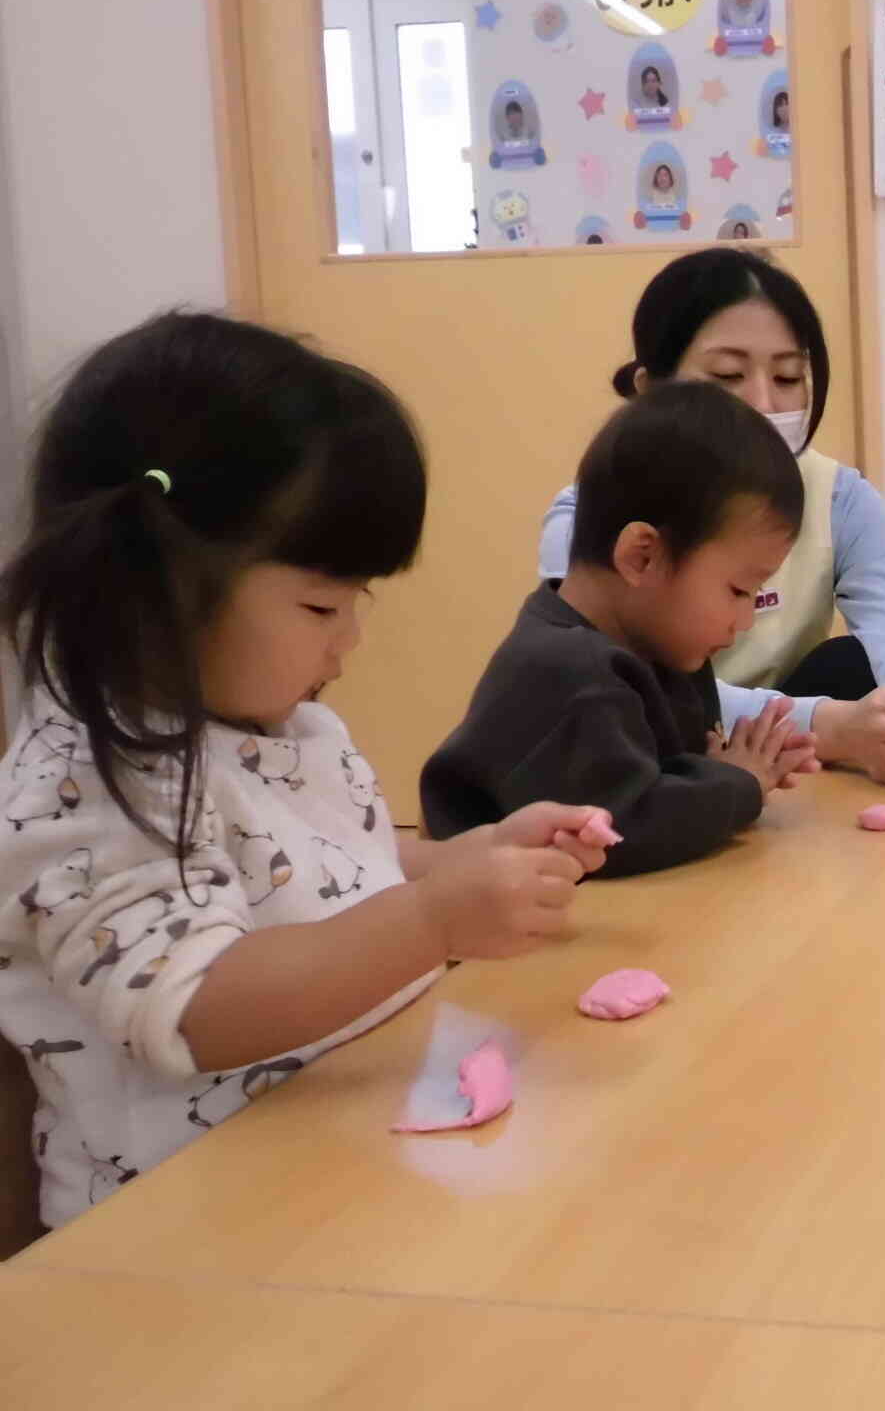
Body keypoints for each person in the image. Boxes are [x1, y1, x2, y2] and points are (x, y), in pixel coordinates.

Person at [0, 313, 609, 1229]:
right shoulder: (87, 777)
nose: (351, 639)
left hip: (333, 1154)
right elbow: (196, 1006)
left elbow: (326, 871)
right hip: (174, 1240)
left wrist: (460, 861)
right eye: (322, 603)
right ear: (156, 584)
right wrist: (434, 918)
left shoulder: (284, 728)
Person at [538, 251, 885, 784]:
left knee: (851, 663)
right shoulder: (589, 518)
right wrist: (830, 725)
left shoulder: (839, 499)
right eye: (728, 374)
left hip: (786, 760)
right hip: (653, 760)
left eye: (788, 376)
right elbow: (621, 687)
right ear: (652, 390)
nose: (762, 402)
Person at [425, 384, 815, 875]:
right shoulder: (568, 672)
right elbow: (622, 829)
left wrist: (719, 769)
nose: (745, 619)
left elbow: (670, 773)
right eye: (738, 591)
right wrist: (740, 783)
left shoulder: (659, 645)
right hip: (497, 940)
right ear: (642, 555)